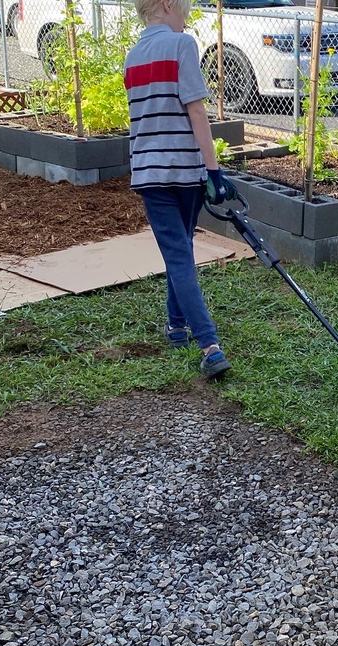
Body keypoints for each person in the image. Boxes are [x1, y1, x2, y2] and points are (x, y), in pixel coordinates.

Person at [125, 0, 239, 379]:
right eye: (186, 5)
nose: (188, 12)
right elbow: (196, 111)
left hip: (148, 172)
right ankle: (209, 344)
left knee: (179, 251)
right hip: (185, 170)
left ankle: (176, 325)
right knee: (181, 254)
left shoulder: (132, 56)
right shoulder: (182, 45)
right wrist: (214, 171)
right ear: (168, 4)